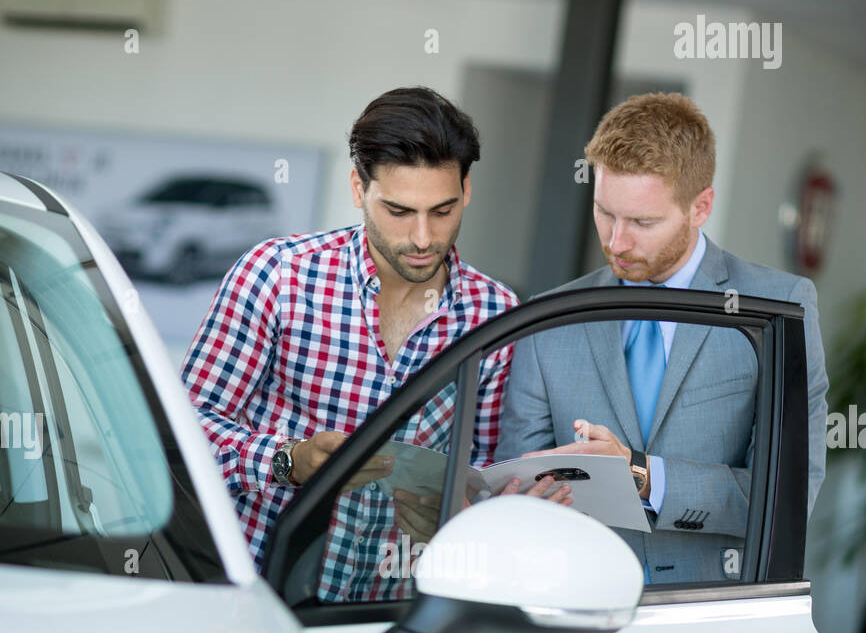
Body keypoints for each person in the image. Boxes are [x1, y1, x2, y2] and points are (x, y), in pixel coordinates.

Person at [180, 85, 569, 591]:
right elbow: (181, 434)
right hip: (253, 589)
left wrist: (494, 507)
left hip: (387, 610)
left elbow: (486, 471)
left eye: (443, 210)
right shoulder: (277, 274)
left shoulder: (495, 313)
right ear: (359, 189)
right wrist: (287, 461)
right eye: (400, 211)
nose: (423, 237)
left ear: (467, 190)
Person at [495, 92, 829, 585]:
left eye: (642, 222)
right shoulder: (549, 317)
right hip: (575, 603)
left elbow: (787, 497)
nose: (616, 241)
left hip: (713, 615)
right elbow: (522, 485)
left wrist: (640, 474)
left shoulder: (779, 306)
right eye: (605, 212)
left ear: (701, 207)